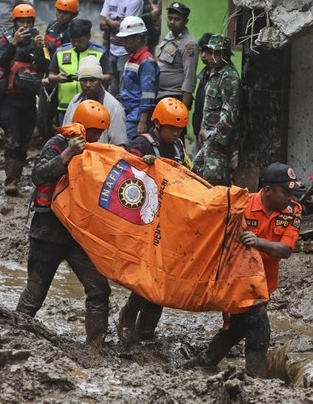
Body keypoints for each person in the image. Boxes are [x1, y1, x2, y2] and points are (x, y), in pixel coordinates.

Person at [188, 162, 302, 377]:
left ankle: (204, 362)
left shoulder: (293, 210)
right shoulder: (241, 204)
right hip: (236, 282)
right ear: (267, 190)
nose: (290, 196)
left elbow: (286, 249)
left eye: (293, 191)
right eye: (286, 191)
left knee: (237, 328)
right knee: (259, 327)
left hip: (265, 283)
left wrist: (257, 242)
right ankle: (256, 378)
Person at [16, 100, 113, 346]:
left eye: (98, 133)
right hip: (47, 233)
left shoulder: (96, 152)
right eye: (91, 132)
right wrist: (68, 153)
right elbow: (38, 175)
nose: (94, 137)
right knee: (34, 295)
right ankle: (15, 336)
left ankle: (95, 346)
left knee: (99, 289)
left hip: (77, 235)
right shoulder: (57, 144)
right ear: (79, 127)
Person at [116, 97, 191, 342]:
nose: (175, 133)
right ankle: (127, 317)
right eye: (170, 128)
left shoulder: (179, 147)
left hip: (171, 221)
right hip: (146, 221)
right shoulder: (141, 144)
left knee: (163, 281)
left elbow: (189, 175)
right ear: (157, 125)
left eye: (179, 129)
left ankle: (146, 331)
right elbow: (124, 176)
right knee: (148, 278)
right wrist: (145, 166)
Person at [0, 3, 49, 196]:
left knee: (24, 141)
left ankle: (16, 178)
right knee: (13, 140)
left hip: (28, 99)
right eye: (21, 21)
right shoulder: (5, 40)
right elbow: (1, 60)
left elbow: (46, 64)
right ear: (15, 22)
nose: (25, 25)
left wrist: (41, 47)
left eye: (28, 21)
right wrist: (14, 43)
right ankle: (10, 180)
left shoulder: (37, 42)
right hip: (9, 99)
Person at [193, 34, 242, 186]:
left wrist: (211, 136)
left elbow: (230, 115)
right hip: (208, 140)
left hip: (219, 143)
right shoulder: (214, 74)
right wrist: (202, 129)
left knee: (215, 182)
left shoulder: (229, 77)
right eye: (211, 52)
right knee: (196, 172)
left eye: (217, 53)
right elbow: (208, 107)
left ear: (226, 55)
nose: (212, 57)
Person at [45, 18, 110, 129]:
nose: (76, 44)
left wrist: (85, 78)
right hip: (65, 108)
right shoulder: (61, 52)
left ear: (88, 37)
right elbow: (50, 76)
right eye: (73, 40)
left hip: (92, 107)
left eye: (80, 41)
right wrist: (57, 78)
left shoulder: (99, 52)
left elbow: (108, 77)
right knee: (67, 140)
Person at [61, 55, 127, 147]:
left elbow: (119, 145)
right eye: (84, 80)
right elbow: (65, 136)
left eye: (92, 80)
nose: (88, 85)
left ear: (100, 81)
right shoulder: (75, 101)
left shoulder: (113, 106)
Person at [99, 0, 142, 95]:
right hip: (112, 49)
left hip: (126, 51)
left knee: (125, 88)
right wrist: (114, 23)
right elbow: (101, 24)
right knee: (111, 87)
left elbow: (126, 28)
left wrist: (108, 20)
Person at [117, 16, 158, 141]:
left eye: (126, 40)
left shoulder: (146, 61)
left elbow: (148, 93)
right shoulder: (132, 58)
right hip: (127, 111)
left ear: (138, 38)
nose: (123, 43)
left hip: (136, 115)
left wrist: (143, 121)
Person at [157, 2, 197, 112]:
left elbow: (190, 78)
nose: (172, 22)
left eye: (176, 19)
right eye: (169, 18)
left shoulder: (189, 44)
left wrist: (182, 110)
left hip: (175, 97)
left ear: (185, 22)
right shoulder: (169, 36)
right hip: (160, 94)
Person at [192, 33, 214, 155]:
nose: (203, 55)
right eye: (201, 51)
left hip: (211, 133)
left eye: (207, 51)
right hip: (199, 130)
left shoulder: (222, 77)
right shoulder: (205, 74)